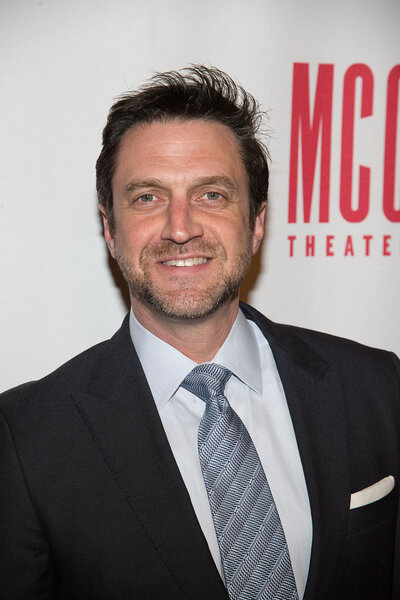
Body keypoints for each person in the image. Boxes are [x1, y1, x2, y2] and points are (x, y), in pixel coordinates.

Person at [0, 66, 399, 600]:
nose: (181, 227)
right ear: (110, 229)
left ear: (256, 222)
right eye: (147, 197)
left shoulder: (376, 387)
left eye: (211, 194)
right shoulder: (26, 439)